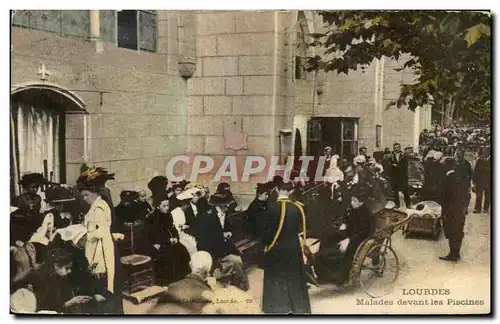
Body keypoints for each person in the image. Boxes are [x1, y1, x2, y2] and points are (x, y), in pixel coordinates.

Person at [11, 248, 114, 314]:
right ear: (56, 265)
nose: (69, 271)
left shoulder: (58, 277)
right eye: (67, 268)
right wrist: (68, 303)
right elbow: (41, 308)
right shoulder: (39, 279)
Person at [261, 182, 311, 314]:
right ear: (291, 191)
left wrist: (265, 245)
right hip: (293, 247)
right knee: (294, 276)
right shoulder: (298, 208)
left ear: (277, 190)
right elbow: (302, 230)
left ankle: (279, 308)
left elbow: (266, 233)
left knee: (277, 277)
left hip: (277, 248)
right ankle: (298, 307)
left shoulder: (271, 208)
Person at [313, 185, 376, 284]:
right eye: (352, 200)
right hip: (350, 236)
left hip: (358, 241)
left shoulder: (366, 213)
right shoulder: (355, 209)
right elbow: (349, 222)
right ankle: (325, 272)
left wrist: (349, 240)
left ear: (361, 202)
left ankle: (337, 277)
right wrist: (344, 224)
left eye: (354, 201)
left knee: (326, 254)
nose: (352, 203)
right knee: (328, 237)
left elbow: (363, 232)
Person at [197, 192, 248, 291]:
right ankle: (242, 286)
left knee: (238, 260)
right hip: (212, 252)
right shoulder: (207, 217)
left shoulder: (224, 214)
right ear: (218, 206)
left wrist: (228, 233)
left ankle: (236, 284)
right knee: (235, 262)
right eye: (226, 204)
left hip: (223, 248)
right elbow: (205, 240)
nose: (228, 206)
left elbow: (228, 229)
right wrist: (222, 237)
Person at [145, 197, 191, 286]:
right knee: (169, 256)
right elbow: (152, 235)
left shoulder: (168, 215)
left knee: (183, 251)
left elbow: (173, 229)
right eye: (164, 206)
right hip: (158, 244)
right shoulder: (152, 218)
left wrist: (175, 237)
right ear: (158, 207)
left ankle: (180, 278)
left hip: (170, 243)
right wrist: (166, 240)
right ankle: (169, 281)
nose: (167, 208)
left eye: (168, 205)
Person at [440, 158, 468, 262]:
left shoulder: (449, 179)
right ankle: (456, 253)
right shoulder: (459, 176)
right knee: (458, 231)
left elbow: (447, 196)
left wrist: (446, 211)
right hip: (459, 210)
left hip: (451, 211)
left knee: (452, 232)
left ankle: (453, 254)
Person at [171, 187, 204, 255]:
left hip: (192, 235)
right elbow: (177, 228)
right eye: (185, 202)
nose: (187, 204)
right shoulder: (177, 211)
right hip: (183, 237)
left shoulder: (194, 209)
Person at [389, 143, 410, 209]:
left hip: (403, 176)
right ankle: (397, 204)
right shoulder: (391, 156)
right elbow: (389, 165)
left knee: (405, 190)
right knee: (395, 191)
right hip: (395, 176)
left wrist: (397, 166)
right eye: (395, 148)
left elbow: (405, 166)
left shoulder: (404, 156)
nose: (396, 149)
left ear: (400, 148)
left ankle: (408, 204)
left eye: (397, 147)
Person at [454, 147, 473, 214]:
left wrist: (469, 180)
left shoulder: (466, 163)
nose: (459, 156)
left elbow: (470, 173)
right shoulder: (456, 163)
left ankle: (465, 208)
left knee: (466, 196)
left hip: (464, 182)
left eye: (460, 154)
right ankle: (461, 208)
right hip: (459, 182)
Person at [473, 148, 491, 213]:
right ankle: (479, 208)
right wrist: (474, 181)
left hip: (487, 180)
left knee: (487, 195)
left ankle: (485, 208)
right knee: (479, 195)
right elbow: (475, 171)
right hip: (481, 180)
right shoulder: (479, 160)